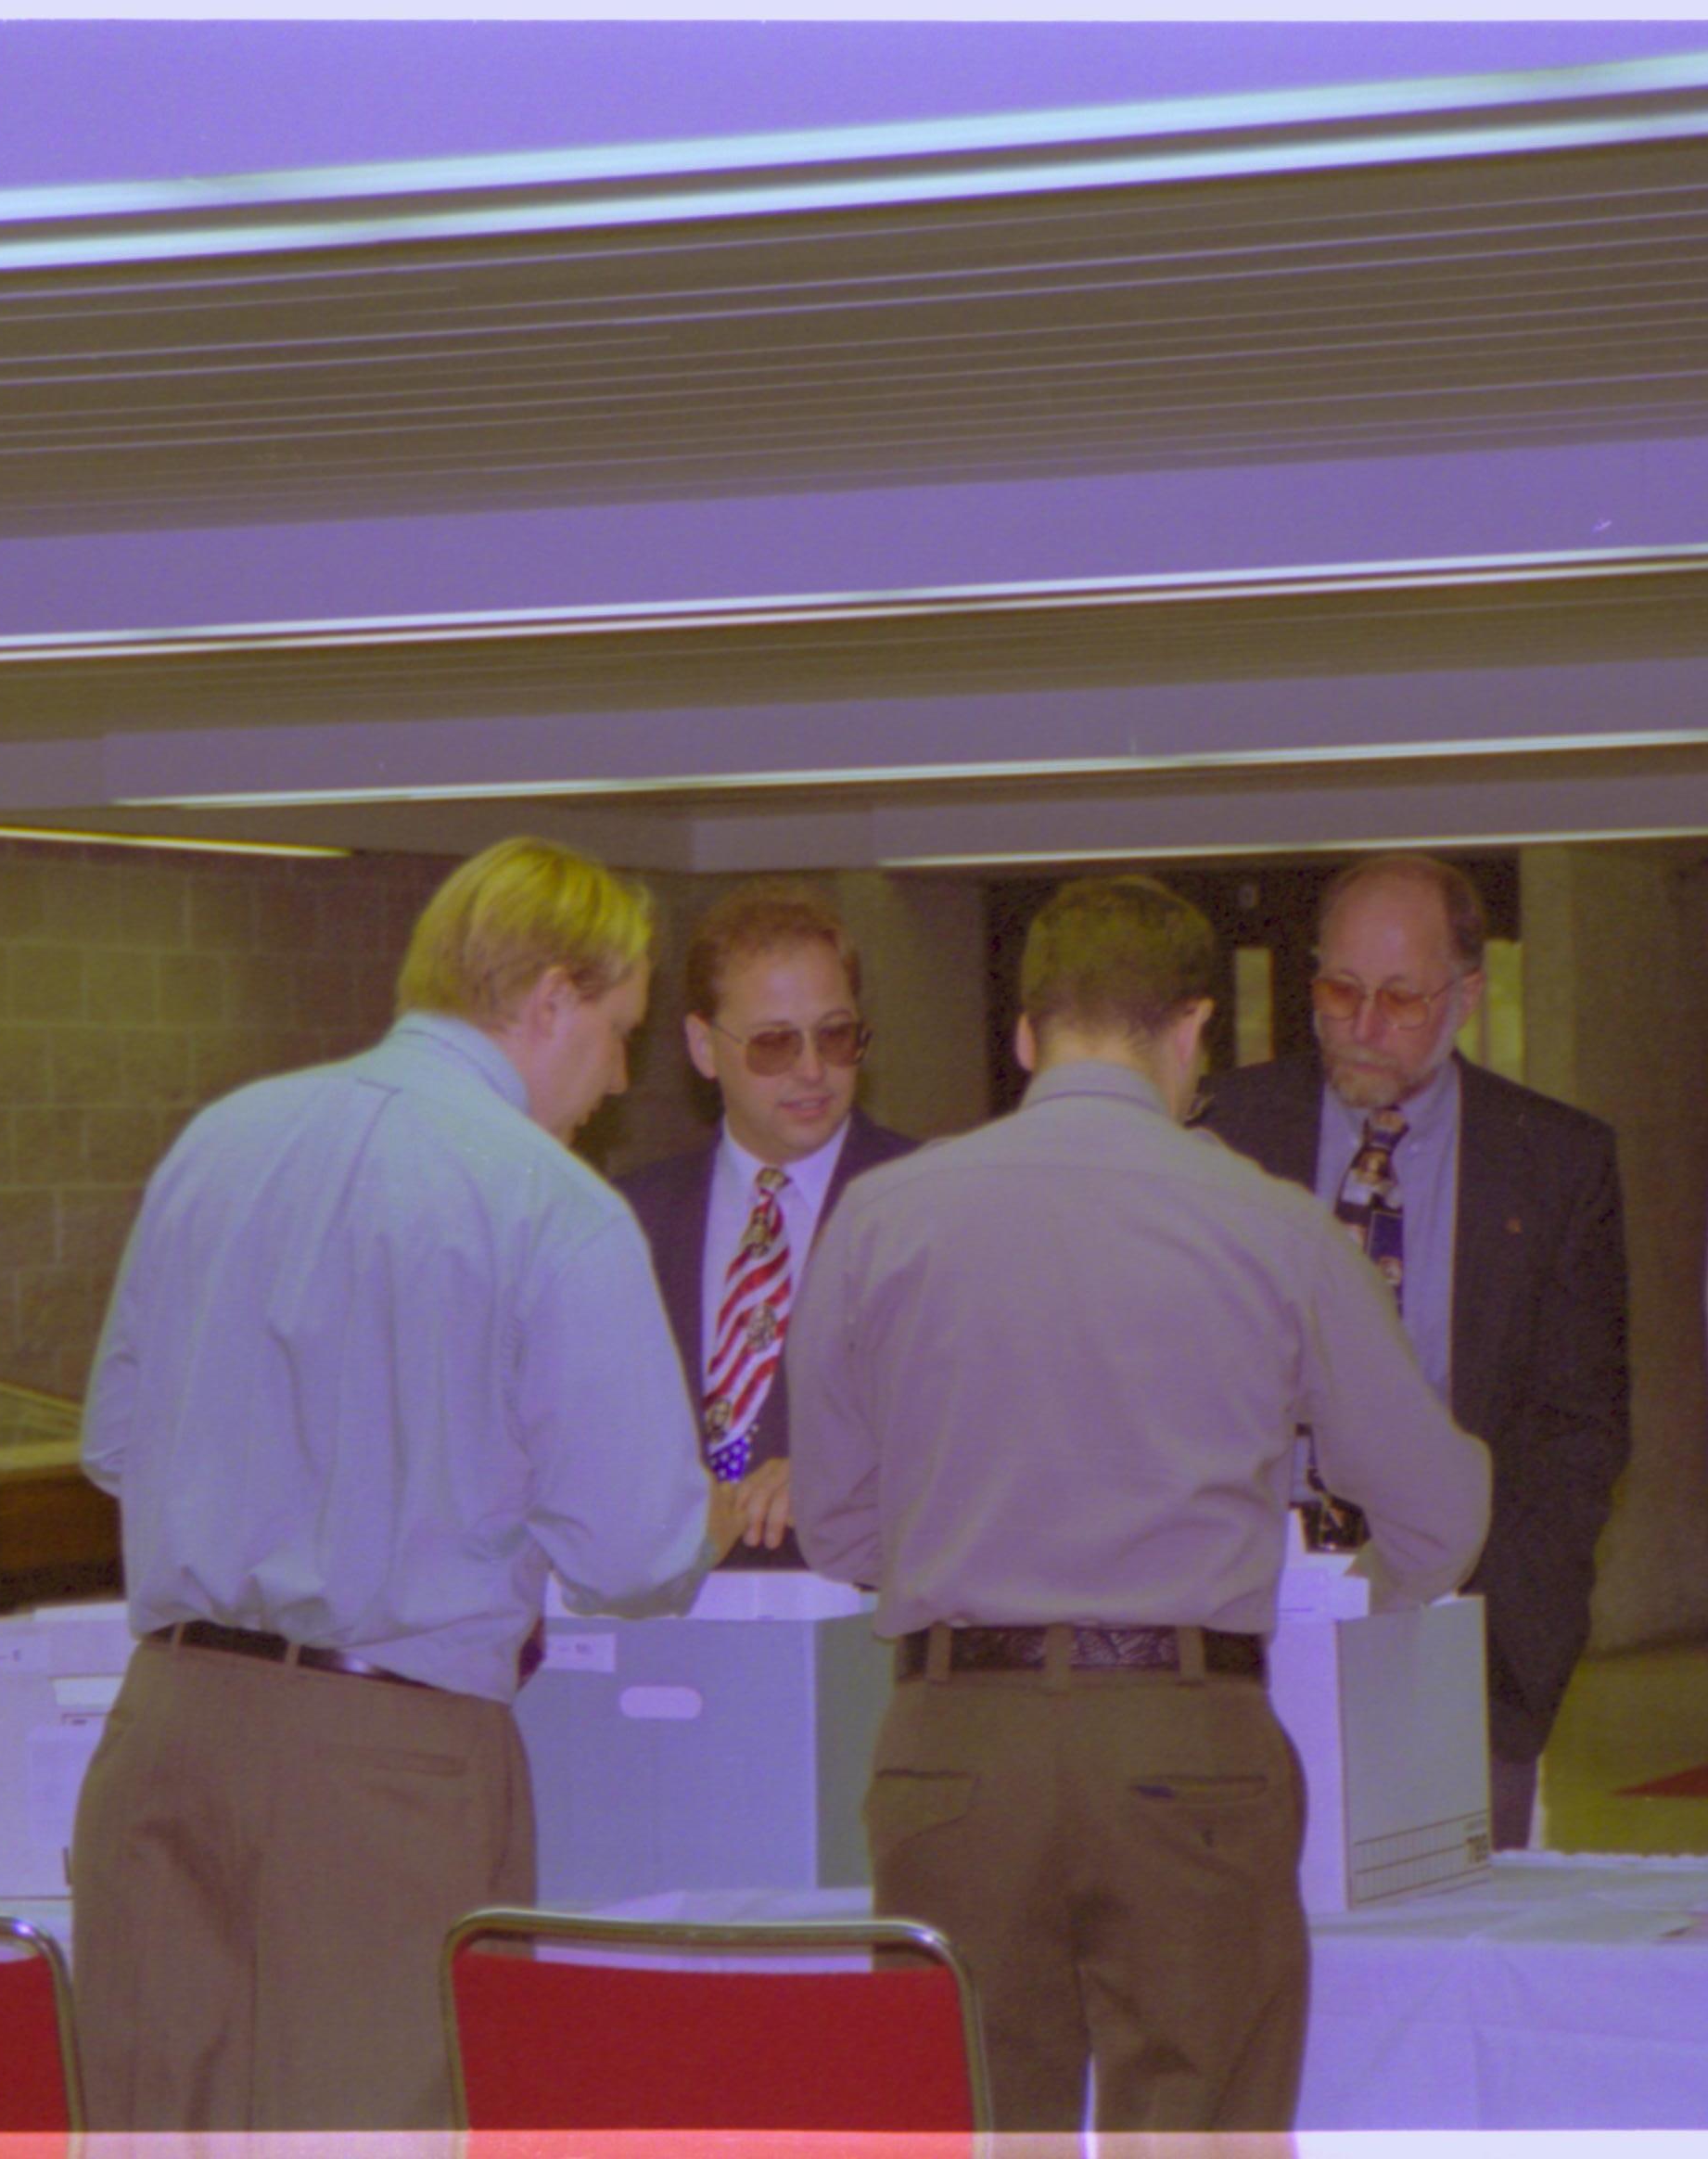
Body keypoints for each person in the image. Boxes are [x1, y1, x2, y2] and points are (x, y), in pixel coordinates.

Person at [791, 874, 1489, 2134]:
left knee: (978, 2126)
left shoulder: (882, 1218)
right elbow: (1440, 1511)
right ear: (1190, 1034)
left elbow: (837, 1528)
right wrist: (1359, 1595)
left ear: (1023, 1040)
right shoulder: (1273, 1227)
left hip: (953, 1752)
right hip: (1187, 1751)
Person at [70, 835, 740, 2133]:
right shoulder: (552, 1205)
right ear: (550, 997)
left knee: (152, 2117)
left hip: (165, 1729)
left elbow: (114, 1442)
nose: (615, 1080)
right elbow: (635, 1551)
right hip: (387, 1763)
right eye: (616, 1033)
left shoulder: (220, 1142)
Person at [1195, 854, 1627, 1848]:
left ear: (1467, 996)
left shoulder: (1557, 1165)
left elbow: (1580, 1431)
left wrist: (1521, 1634)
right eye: (1338, 989)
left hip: (1463, 1642)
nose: (1362, 1021)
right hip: (1242, 1636)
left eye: (1399, 997)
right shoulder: (1223, 1131)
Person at [615, 885, 917, 1569]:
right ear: (702, 1045)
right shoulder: (627, 1219)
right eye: (774, 1045)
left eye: (836, 1036)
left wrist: (852, 1477)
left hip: (861, 1627)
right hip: (662, 1632)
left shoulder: (928, 1203)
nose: (813, 1070)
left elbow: (987, 1436)